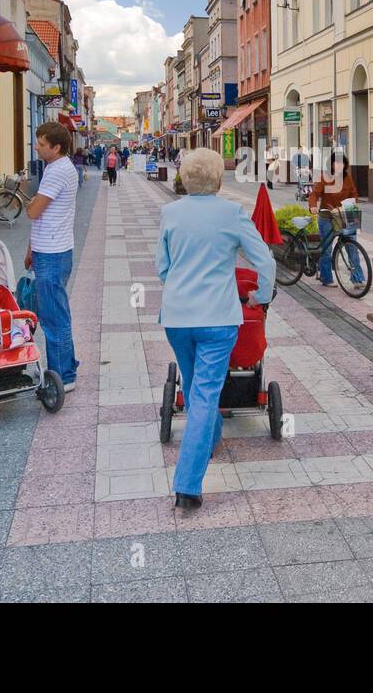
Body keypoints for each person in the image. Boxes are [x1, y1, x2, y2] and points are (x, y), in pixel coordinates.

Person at [156, 148, 275, 510]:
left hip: (177, 318)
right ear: (219, 180)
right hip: (219, 319)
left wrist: (180, 285)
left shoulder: (170, 213)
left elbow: (163, 267)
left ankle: (208, 439)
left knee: (194, 388)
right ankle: (187, 485)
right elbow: (265, 260)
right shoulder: (232, 214)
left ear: (185, 180)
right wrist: (259, 295)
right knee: (205, 394)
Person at [25, 121, 80, 389]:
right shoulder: (55, 167)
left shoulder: (57, 171)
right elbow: (41, 216)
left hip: (52, 252)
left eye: (42, 143)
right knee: (54, 312)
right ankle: (63, 365)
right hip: (48, 248)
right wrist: (30, 249)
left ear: (56, 147)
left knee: (54, 316)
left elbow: (34, 212)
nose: (37, 146)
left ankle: (63, 375)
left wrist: (30, 204)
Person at [307, 151, 363, 288]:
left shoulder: (347, 178)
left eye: (342, 162)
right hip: (327, 216)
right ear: (331, 164)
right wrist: (313, 207)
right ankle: (326, 277)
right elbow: (314, 194)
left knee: (352, 246)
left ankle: (357, 279)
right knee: (327, 249)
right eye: (336, 162)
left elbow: (354, 194)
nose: (339, 165)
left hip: (345, 214)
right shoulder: (325, 177)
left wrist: (352, 204)